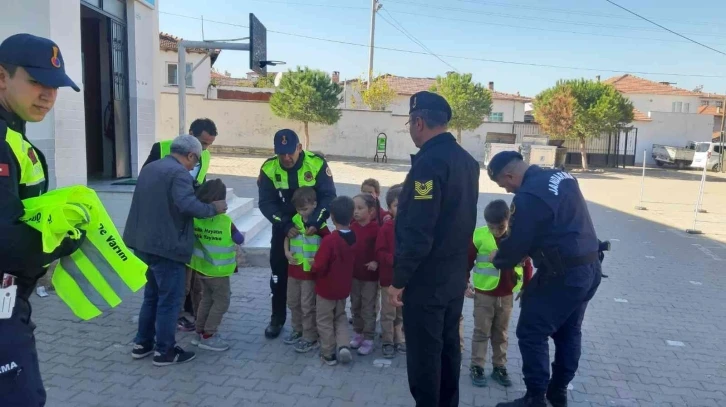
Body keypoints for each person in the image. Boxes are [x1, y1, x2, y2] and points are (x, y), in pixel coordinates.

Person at [0, 33, 84, 406]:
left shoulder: (17, 140)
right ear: (2, 77)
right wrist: (69, 238)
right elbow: (6, 243)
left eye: (55, 85)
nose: (48, 94)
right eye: (36, 81)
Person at [487, 151, 602, 407]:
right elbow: (554, 223)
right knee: (569, 331)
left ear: (509, 175)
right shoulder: (561, 175)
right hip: (589, 268)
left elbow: (517, 243)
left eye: (503, 184)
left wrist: (499, 257)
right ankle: (557, 391)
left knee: (531, 331)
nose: (506, 190)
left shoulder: (528, 196)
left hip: (563, 275)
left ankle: (535, 397)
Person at [387, 91, 480, 407]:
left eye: (410, 123)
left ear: (419, 121)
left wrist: (398, 280)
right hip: (453, 277)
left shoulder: (429, 163)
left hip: (427, 282)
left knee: (426, 358)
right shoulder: (466, 161)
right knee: (448, 350)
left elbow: (419, 231)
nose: (410, 129)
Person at [125, 135, 227, 366]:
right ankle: (165, 351)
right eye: (196, 161)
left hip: (143, 243)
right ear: (190, 155)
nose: (194, 166)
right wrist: (213, 208)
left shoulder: (151, 168)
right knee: (169, 301)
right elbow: (188, 205)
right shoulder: (179, 173)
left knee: (151, 296)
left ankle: (142, 344)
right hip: (167, 247)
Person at [257, 129, 336, 339]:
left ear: (299, 148)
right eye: (281, 153)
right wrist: (283, 225)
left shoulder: (316, 163)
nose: (286, 157)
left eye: (290, 152)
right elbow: (266, 203)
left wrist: (316, 221)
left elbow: (329, 196)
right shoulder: (268, 168)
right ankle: (277, 319)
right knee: (279, 275)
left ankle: (319, 323)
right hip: (284, 230)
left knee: (315, 274)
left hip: (313, 230)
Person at [143, 118, 218, 333]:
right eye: (202, 143)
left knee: (187, 277)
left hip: (187, 220)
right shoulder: (162, 148)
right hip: (164, 225)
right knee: (165, 286)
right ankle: (165, 334)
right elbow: (148, 181)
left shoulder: (205, 157)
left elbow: (198, 185)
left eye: (208, 145)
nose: (204, 149)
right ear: (191, 133)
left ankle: (184, 312)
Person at [465, 199, 533, 388]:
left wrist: (526, 286)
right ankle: (477, 366)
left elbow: (526, 262)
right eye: (491, 227)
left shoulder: (516, 237)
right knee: (481, 331)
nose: (496, 231)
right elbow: (467, 261)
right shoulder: (478, 236)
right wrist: (464, 282)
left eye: (500, 227)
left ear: (508, 220)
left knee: (501, 333)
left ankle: (499, 367)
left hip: (507, 295)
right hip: (484, 294)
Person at [188, 179, 245, 352]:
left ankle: (199, 332)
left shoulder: (195, 219)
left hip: (201, 269)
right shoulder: (225, 221)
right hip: (218, 272)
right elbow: (239, 239)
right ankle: (209, 335)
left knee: (206, 299)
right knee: (221, 302)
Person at [282, 186, 330, 353]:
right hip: (293, 269)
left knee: (307, 305)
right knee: (293, 302)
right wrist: (287, 253)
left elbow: (328, 243)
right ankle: (297, 330)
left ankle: (310, 336)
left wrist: (319, 259)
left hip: (309, 273)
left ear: (315, 204)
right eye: (299, 209)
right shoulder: (294, 220)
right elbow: (286, 238)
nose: (302, 212)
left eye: (305, 209)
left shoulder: (319, 223)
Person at [311, 196, 357, 366]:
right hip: (343, 288)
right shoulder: (355, 237)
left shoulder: (330, 240)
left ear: (332, 217)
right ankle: (344, 345)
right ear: (352, 215)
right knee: (340, 317)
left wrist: (312, 266)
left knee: (324, 320)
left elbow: (320, 265)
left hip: (326, 288)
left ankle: (328, 353)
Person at [375, 185, 405, 359]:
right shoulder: (386, 229)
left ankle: (399, 339)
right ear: (389, 208)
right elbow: (379, 252)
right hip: (388, 280)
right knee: (388, 313)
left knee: (401, 312)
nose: (400, 208)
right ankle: (387, 341)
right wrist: (393, 259)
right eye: (396, 205)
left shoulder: (412, 228)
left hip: (405, 280)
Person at [349, 194, 380, 356]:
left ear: (371, 211)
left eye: (360, 208)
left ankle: (369, 337)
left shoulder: (376, 229)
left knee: (368, 307)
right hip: (354, 276)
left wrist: (376, 261)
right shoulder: (351, 227)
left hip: (369, 278)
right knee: (355, 305)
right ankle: (358, 333)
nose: (356, 212)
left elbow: (381, 249)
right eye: (354, 208)